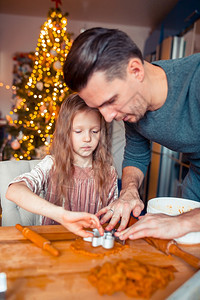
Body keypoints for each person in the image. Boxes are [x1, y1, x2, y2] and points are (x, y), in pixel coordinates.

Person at [63, 27, 200, 241]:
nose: (107, 117)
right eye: (99, 108)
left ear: (136, 70)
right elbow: (136, 155)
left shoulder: (196, 79)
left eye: (110, 101)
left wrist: (182, 221)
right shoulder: (133, 109)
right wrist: (129, 190)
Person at [6, 93, 118, 238]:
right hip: (54, 243)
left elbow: (111, 219)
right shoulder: (52, 165)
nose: (87, 138)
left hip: (91, 247)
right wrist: (61, 214)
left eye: (94, 131)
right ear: (65, 133)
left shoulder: (109, 172)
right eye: (78, 131)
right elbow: (13, 191)